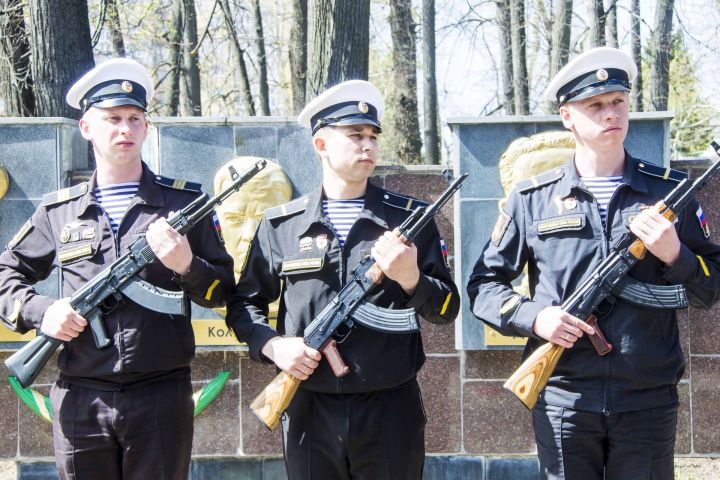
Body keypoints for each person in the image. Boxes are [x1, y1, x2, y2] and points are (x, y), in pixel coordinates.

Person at [467, 47, 720, 480]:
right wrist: (536, 318)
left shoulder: (669, 193)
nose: (610, 114)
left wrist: (675, 254)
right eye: (595, 105)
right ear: (568, 117)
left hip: (648, 399)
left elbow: (710, 288)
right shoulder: (532, 198)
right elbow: (483, 286)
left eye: (618, 102)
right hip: (564, 397)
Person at [0, 58, 235, 479]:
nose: (124, 129)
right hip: (81, 399)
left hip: (161, 396)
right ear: (87, 127)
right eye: (112, 119)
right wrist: (44, 311)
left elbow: (223, 289)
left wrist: (186, 265)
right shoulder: (59, 211)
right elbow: (5, 277)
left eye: (134, 118)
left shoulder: (183, 204)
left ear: (146, 127)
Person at [225, 80, 459, 479]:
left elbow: (446, 309)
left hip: (389, 409)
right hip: (309, 408)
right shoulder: (282, 225)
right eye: (354, 135)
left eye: (372, 136)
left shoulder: (408, 220)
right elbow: (243, 305)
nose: (367, 145)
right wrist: (274, 347)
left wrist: (411, 279)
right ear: (321, 145)